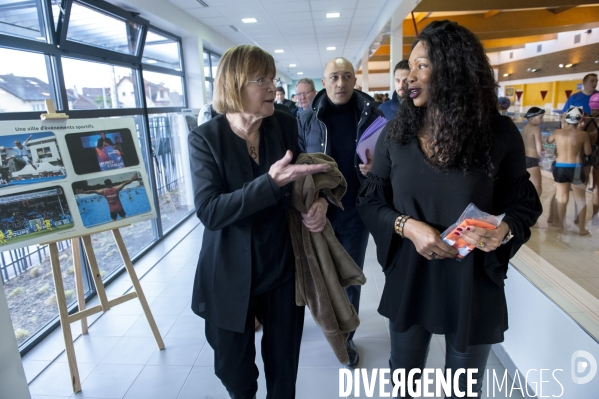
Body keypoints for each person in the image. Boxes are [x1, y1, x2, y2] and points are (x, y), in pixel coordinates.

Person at [356, 20, 541, 398]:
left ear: (454, 69)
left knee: (463, 389)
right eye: (410, 67)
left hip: (471, 280)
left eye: (422, 65)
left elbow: (523, 204)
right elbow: (370, 200)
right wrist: (408, 227)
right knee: (403, 383)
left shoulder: (499, 134)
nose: (410, 76)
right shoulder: (396, 133)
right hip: (411, 274)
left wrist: (502, 230)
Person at [188, 44, 329, 399]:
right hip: (228, 273)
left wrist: (318, 202)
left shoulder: (282, 123)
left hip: (280, 266)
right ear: (234, 85)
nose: (272, 88)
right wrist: (268, 184)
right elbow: (210, 211)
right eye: (260, 79)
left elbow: (301, 179)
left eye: (272, 78)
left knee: (284, 374)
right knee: (236, 376)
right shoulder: (206, 139)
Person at [297, 56, 384, 367]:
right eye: (334, 77)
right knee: (320, 276)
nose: (340, 83)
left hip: (355, 212)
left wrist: (376, 169)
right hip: (318, 212)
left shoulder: (372, 116)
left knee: (348, 279)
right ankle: (329, 326)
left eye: (347, 76)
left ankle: (345, 340)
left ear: (355, 81)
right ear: (324, 82)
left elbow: (388, 165)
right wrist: (313, 201)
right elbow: (300, 167)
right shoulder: (308, 119)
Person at [548, 106, 592, 235]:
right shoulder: (583, 134)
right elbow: (588, 152)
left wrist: (562, 127)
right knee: (580, 199)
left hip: (560, 167)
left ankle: (563, 227)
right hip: (576, 168)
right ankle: (582, 229)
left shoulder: (557, 132)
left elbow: (548, 141)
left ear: (566, 119)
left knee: (562, 197)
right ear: (580, 121)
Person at [521, 107, 545, 196]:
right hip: (532, 161)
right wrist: (543, 154)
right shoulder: (536, 129)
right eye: (541, 117)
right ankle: (534, 208)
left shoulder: (524, 129)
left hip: (523, 160)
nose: (542, 120)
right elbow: (539, 150)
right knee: (537, 189)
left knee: (526, 186)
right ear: (531, 118)